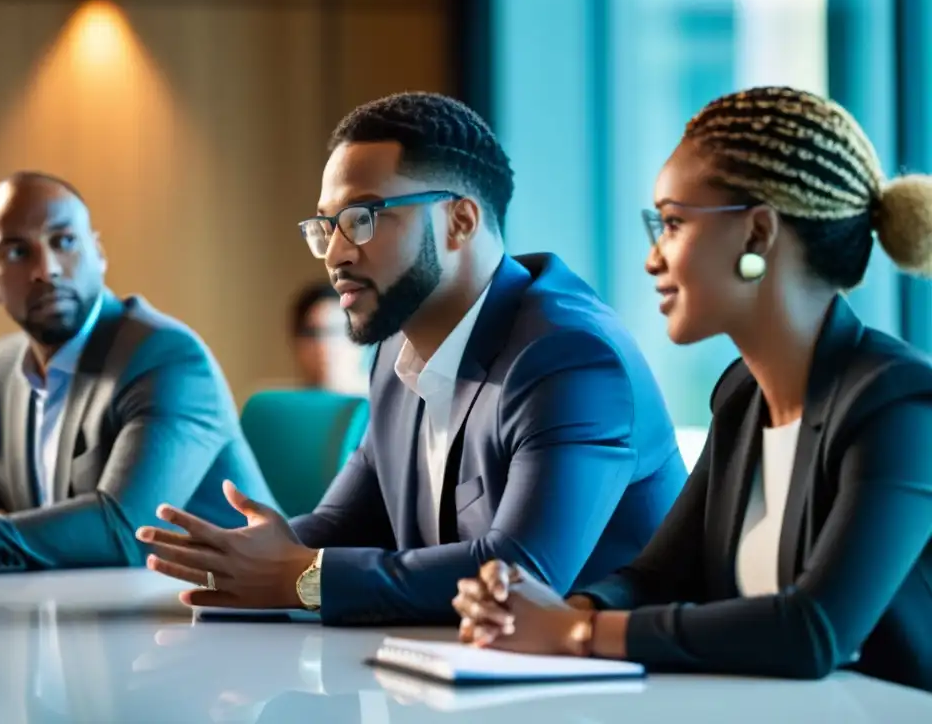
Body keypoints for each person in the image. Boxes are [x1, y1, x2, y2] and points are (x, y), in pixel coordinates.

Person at [136, 91, 686, 625]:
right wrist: (236, 559)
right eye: (326, 226)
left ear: (460, 222)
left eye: (362, 218)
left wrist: (304, 577)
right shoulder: (396, 352)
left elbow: (525, 574)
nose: (335, 253)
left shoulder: (569, 356)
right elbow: (343, 522)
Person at [451, 86, 932, 692]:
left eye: (672, 223)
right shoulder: (742, 395)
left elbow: (814, 631)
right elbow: (657, 577)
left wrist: (573, 637)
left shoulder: (898, 405)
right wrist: (562, 611)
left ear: (758, 234)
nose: (653, 259)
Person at [0, 171, 278, 572]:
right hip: (79, 618)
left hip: (222, 618)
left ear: (98, 253)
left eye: (64, 242)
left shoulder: (166, 357)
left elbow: (125, 529)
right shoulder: (0, 372)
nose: (45, 269)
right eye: (17, 252)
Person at [288, 281, 368, 394]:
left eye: (335, 331)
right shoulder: (278, 408)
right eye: (311, 333)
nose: (323, 345)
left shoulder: (387, 405)